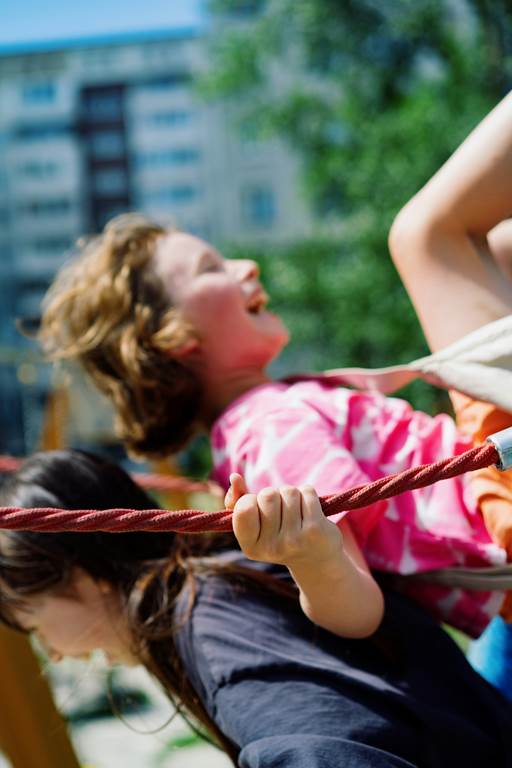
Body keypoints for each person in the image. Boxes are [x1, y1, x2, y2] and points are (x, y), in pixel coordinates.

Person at [37, 91, 512, 641]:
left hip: (493, 498)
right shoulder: (266, 430)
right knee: (426, 236)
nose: (247, 265)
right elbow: (359, 609)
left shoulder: (266, 419)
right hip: (497, 505)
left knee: (496, 249)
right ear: (174, 337)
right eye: (211, 268)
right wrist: (313, 558)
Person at [1, 449, 511, 768]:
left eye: (33, 624)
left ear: (82, 575)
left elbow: (326, 751)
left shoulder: (212, 636)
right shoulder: (223, 573)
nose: (55, 654)